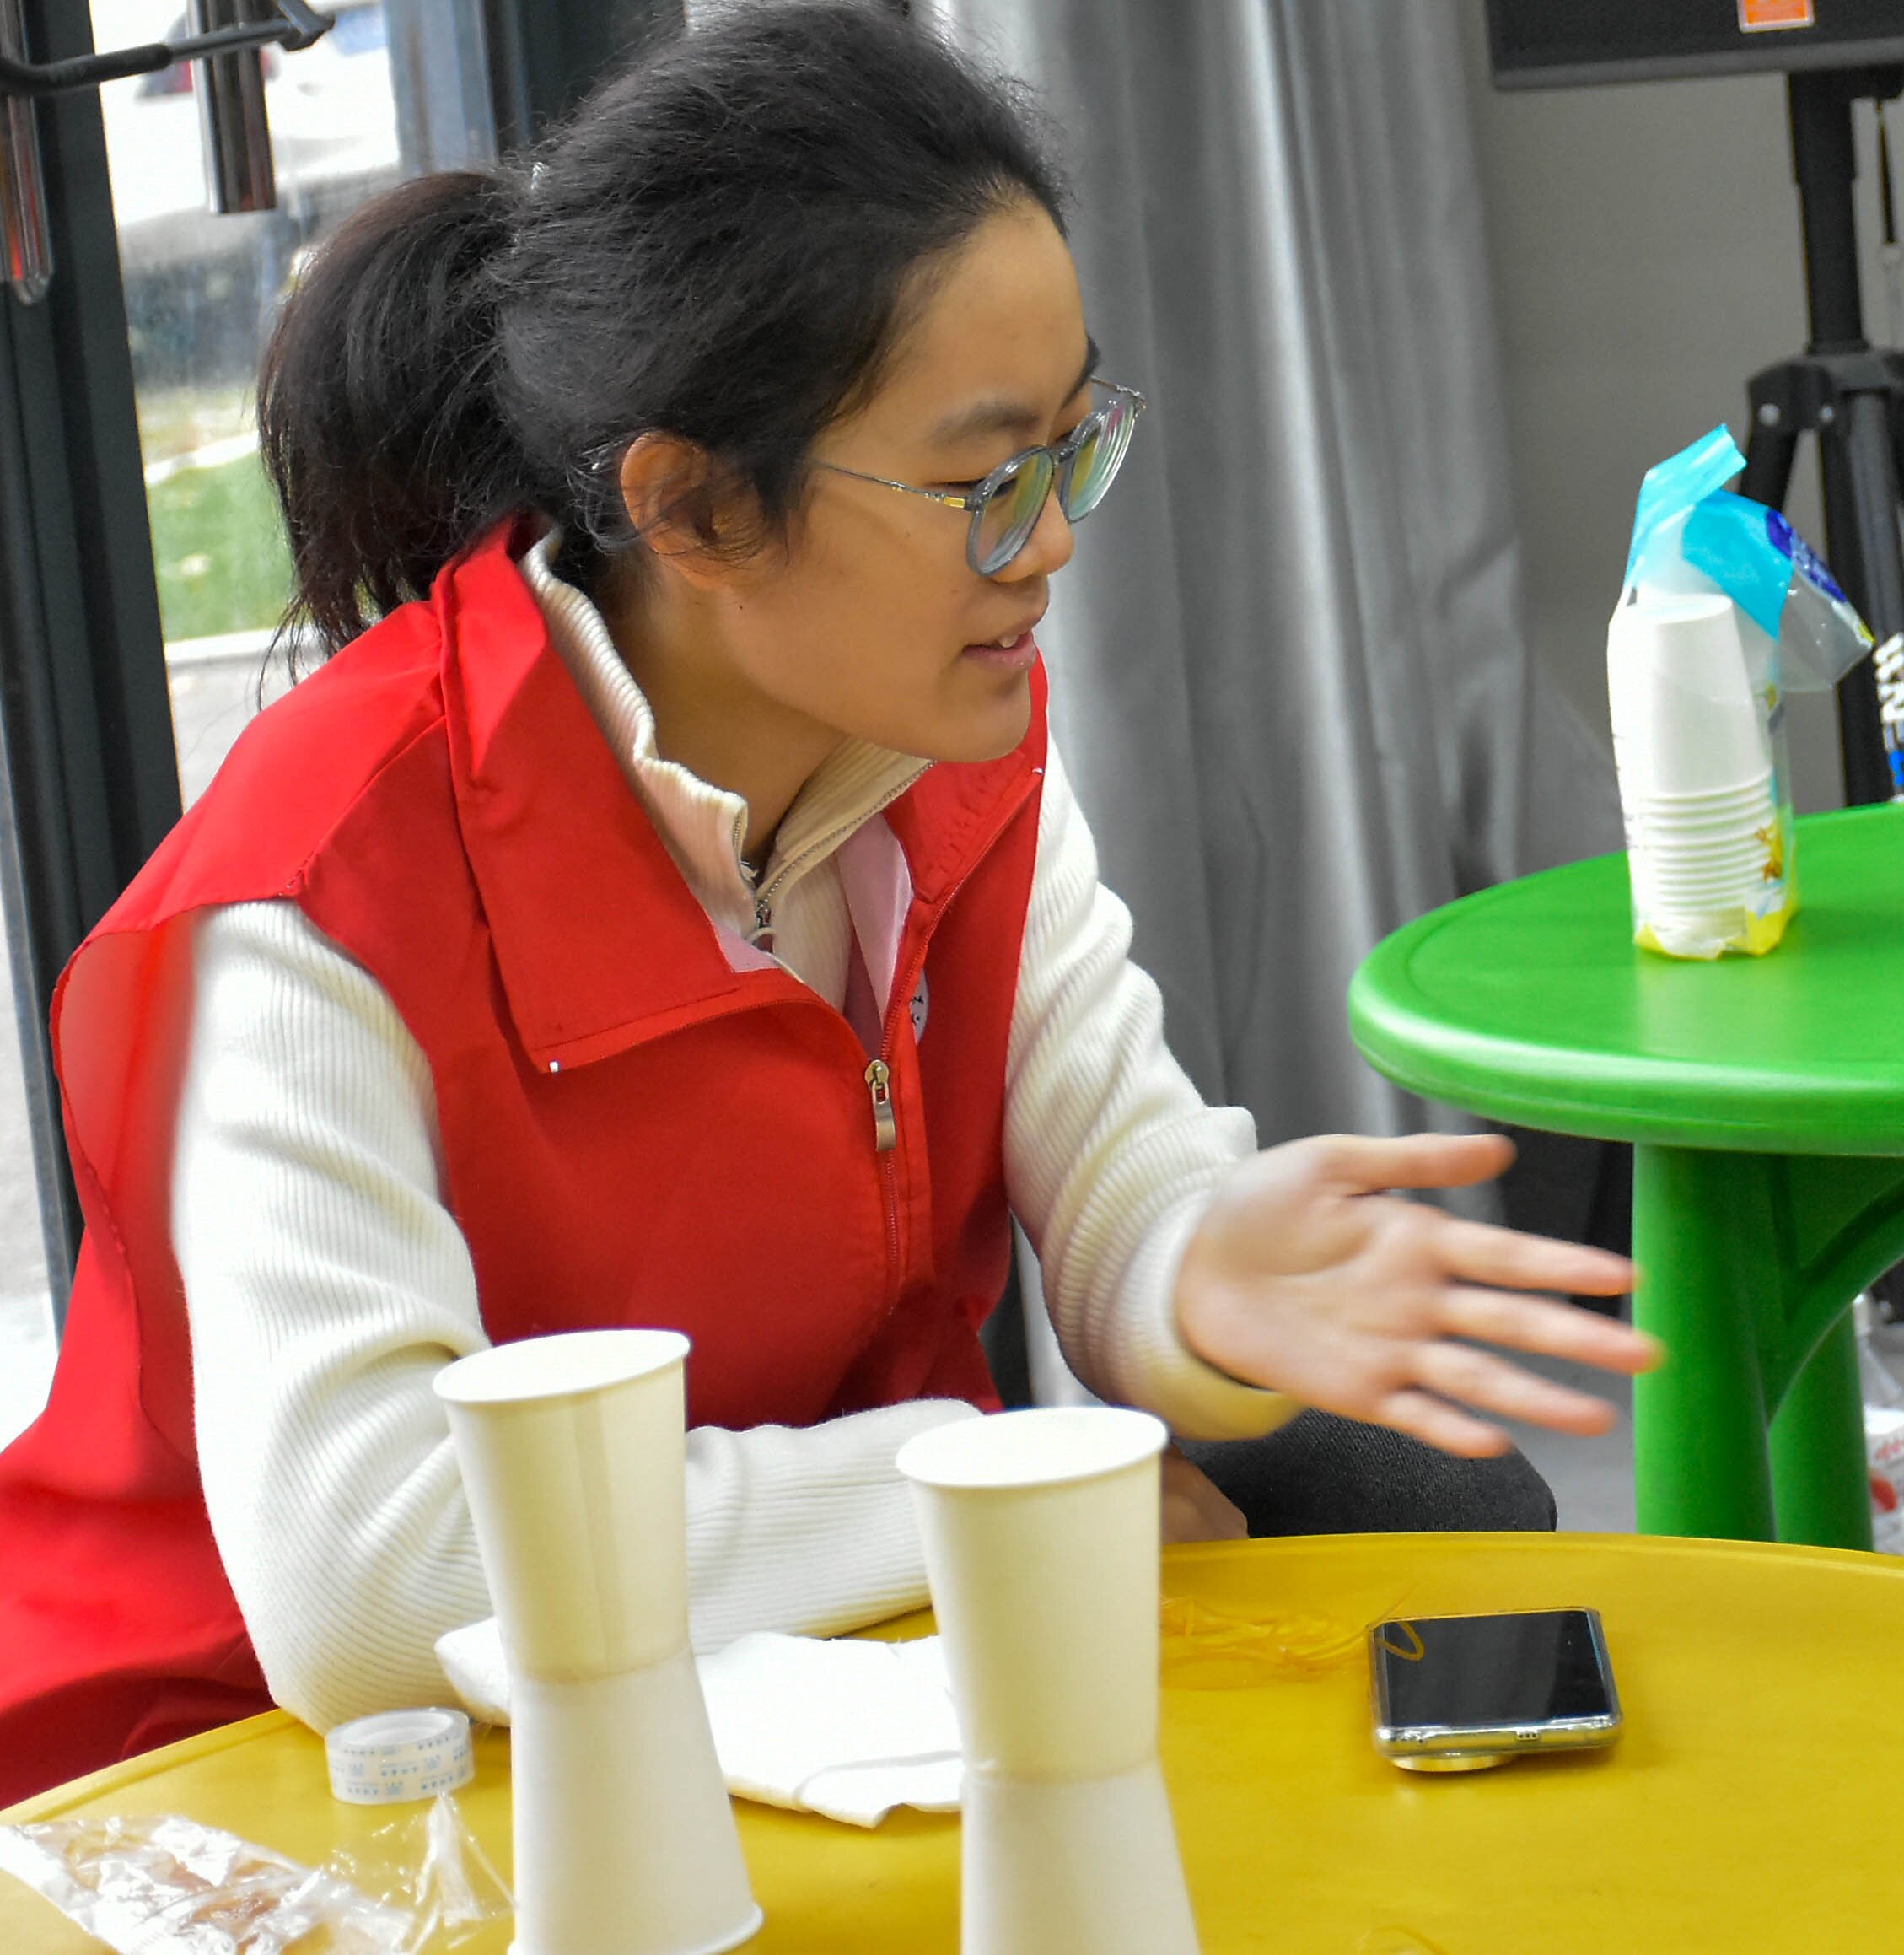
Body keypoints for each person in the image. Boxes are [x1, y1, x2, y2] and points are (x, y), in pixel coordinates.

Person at [0, 3, 1654, 1807]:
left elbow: (1121, 1178)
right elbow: (377, 1585)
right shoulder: (323, 887)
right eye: (983, 480)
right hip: (280, 1770)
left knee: (1405, 1487)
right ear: (695, 509)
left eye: (1073, 444)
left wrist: (1199, 1276)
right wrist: (979, 1489)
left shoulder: (945, 753)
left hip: (760, 1643)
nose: (1052, 542)